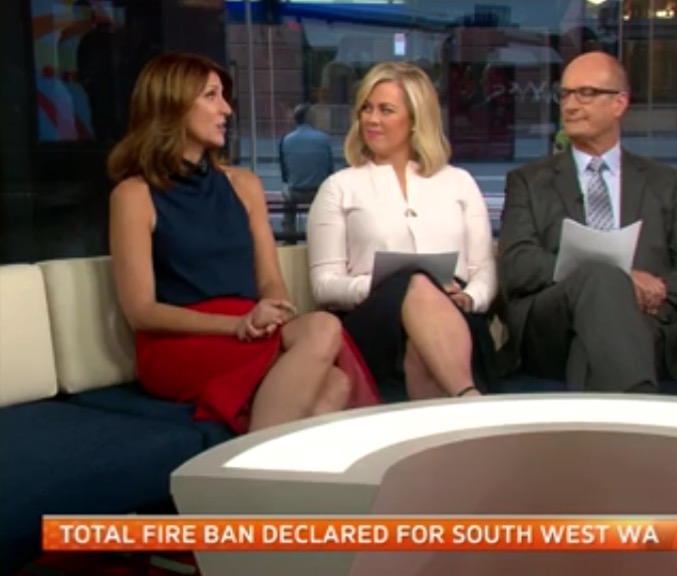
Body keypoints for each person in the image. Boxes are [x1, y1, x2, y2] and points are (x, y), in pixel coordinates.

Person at [107, 52, 378, 435]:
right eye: (211, 96)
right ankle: (262, 464)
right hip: (180, 343)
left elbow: (270, 281)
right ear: (173, 104)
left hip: (249, 328)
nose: (227, 109)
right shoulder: (133, 195)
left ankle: (259, 465)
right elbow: (141, 312)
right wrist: (236, 325)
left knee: (334, 375)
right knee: (324, 341)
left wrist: (273, 314)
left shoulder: (244, 185)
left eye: (224, 96)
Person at [497, 52, 677, 393]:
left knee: (595, 341)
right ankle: (639, 404)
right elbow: (517, 265)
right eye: (565, 94)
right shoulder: (528, 181)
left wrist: (641, 300)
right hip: (551, 329)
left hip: (647, 323)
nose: (570, 105)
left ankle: (622, 412)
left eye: (585, 93)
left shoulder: (667, 184)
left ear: (619, 103)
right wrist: (620, 281)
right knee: (602, 280)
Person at [307, 61, 498, 400]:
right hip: (375, 322)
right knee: (417, 282)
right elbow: (324, 285)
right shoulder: (339, 187)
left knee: (422, 345)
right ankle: (468, 398)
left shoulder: (459, 182)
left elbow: (483, 269)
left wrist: (471, 297)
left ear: (415, 119)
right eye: (366, 108)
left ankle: (453, 407)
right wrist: (384, 284)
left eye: (385, 110)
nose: (371, 119)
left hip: (456, 316)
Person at [278, 103, 334, 242]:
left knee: (286, 196)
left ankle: (289, 237)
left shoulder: (286, 140)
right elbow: (330, 170)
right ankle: (321, 237)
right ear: (310, 118)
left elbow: (285, 174)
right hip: (318, 192)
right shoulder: (323, 139)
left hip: (295, 192)